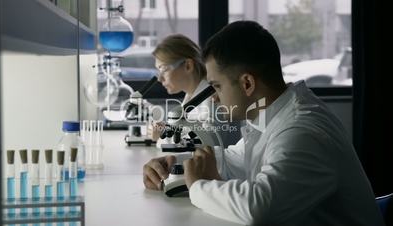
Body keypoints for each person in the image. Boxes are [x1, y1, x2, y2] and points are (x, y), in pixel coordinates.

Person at [143, 21, 384, 226]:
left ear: (247, 83)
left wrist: (197, 186)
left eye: (217, 86)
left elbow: (259, 208)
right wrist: (174, 166)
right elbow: (231, 162)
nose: (214, 98)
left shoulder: (302, 130)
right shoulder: (268, 116)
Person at [147, 34, 212, 146]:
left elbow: (205, 144)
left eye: (164, 69)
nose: (159, 78)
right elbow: (187, 131)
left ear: (188, 66)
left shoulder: (211, 99)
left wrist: (162, 137)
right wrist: (167, 129)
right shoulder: (191, 95)